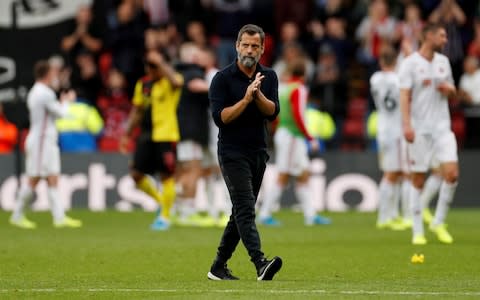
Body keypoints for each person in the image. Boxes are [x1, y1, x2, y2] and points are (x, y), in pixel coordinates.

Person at [207, 24, 282, 281]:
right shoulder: (222, 79)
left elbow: (272, 112)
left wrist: (257, 94)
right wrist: (246, 99)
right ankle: (260, 263)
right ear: (237, 46)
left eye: (255, 46)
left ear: (262, 50)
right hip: (231, 151)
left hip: (259, 151)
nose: (249, 50)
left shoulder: (269, 77)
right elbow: (221, 118)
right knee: (246, 208)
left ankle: (218, 266)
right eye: (245, 45)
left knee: (239, 211)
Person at [399, 23, 459, 245]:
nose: (445, 40)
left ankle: (438, 222)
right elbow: (404, 96)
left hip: (443, 128)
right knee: (418, 179)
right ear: (429, 36)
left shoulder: (443, 62)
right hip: (419, 129)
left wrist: (450, 90)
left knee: (451, 175)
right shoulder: (410, 64)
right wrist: (406, 125)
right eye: (442, 35)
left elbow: (453, 92)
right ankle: (417, 231)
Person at [258, 58, 331, 227]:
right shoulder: (299, 89)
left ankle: (310, 215)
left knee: (303, 175)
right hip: (292, 136)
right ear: (305, 73)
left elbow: (277, 114)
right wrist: (309, 137)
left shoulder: (284, 88)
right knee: (283, 175)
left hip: (288, 134)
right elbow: (298, 115)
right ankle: (265, 213)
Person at [9, 61, 82, 229]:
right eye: (53, 73)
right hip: (41, 143)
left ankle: (59, 218)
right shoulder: (44, 93)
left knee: (52, 177)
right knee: (34, 179)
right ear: (47, 74)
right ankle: (17, 215)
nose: (55, 76)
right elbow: (62, 113)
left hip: (46, 141)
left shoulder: (37, 92)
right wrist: (67, 101)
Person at [120, 49, 183, 231]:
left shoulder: (170, 80)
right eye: (149, 66)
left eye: (154, 66)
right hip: (146, 135)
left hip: (166, 135)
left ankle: (164, 217)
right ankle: (163, 203)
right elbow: (137, 111)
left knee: (166, 176)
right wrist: (127, 134)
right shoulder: (143, 84)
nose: (151, 70)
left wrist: (161, 63)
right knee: (136, 174)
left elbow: (177, 83)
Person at [370, 47, 409, 231]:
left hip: (382, 128)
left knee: (395, 173)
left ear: (381, 62)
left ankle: (392, 214)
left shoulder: (375, 78)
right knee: (393, 174)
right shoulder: (398, 79)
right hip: (396, 130)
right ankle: (385, 217)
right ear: (396, 62)